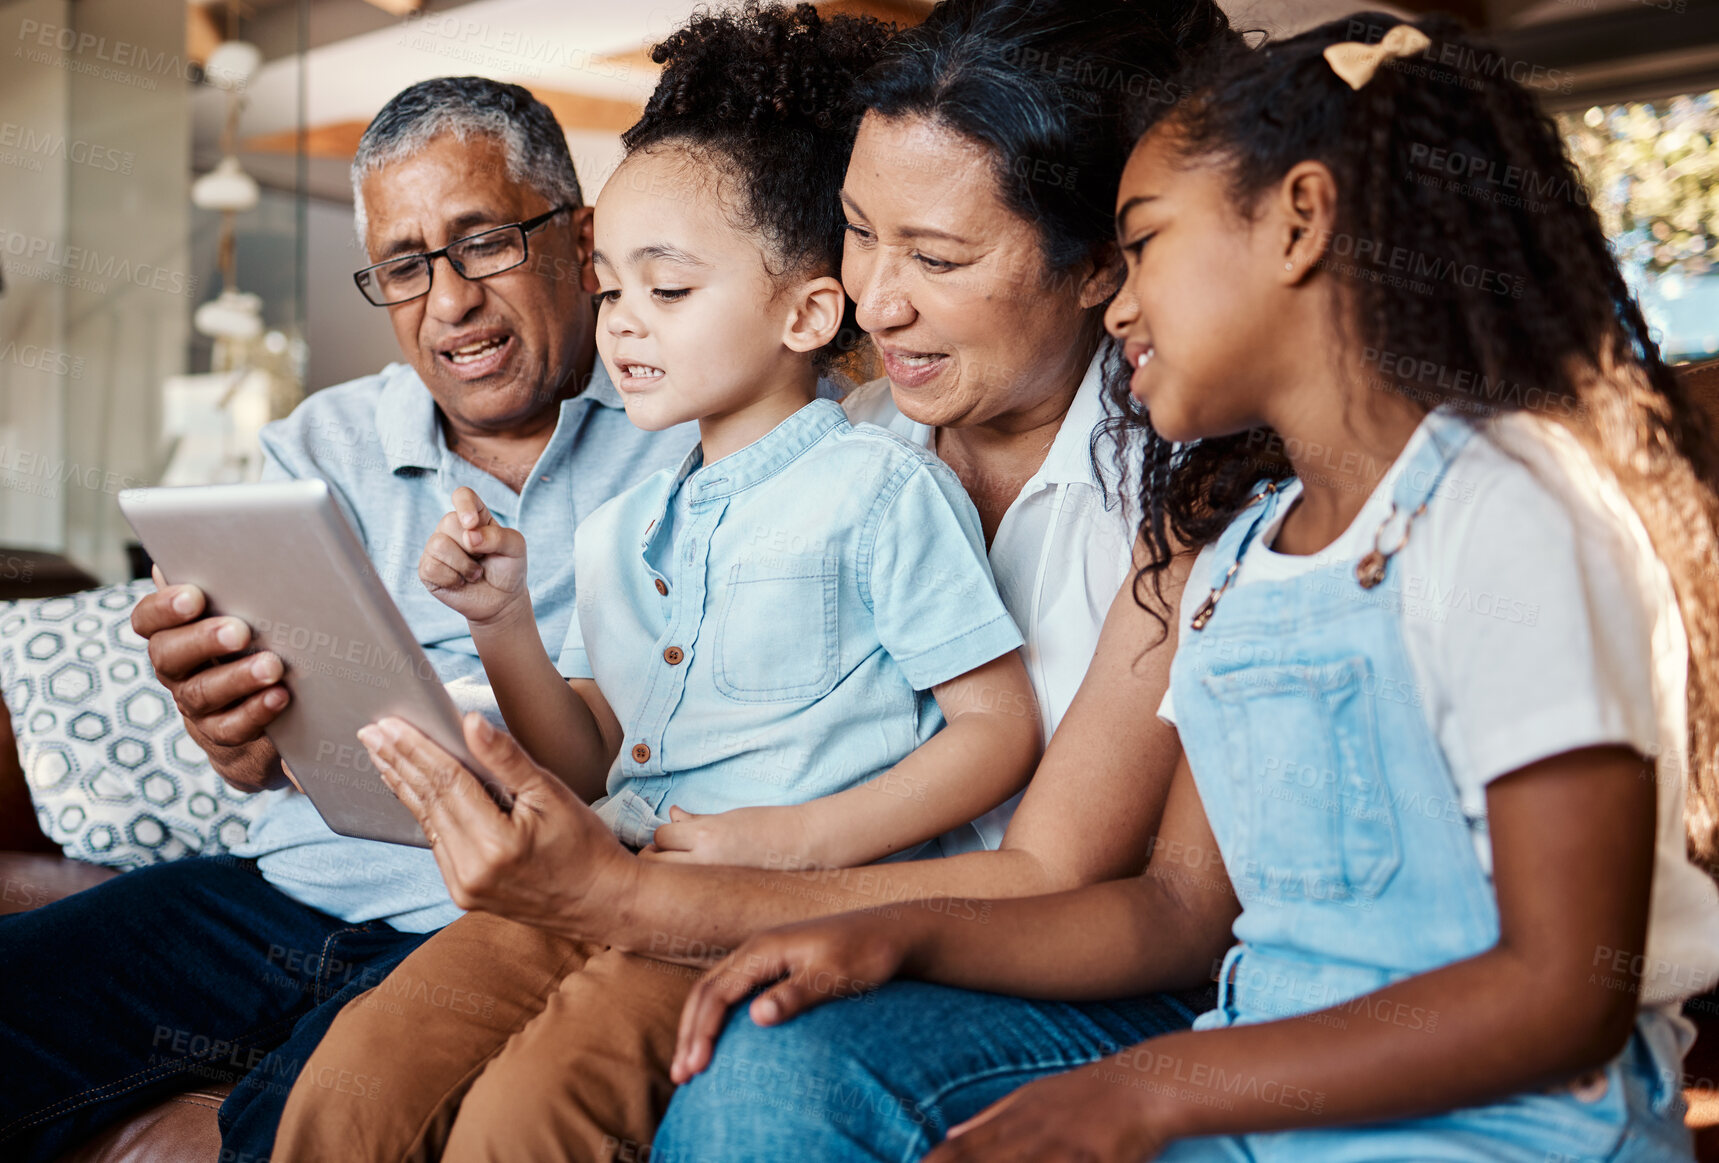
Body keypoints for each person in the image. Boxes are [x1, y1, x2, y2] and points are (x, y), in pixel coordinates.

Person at [662, 14, 1719, 1161]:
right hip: (1268, 1104)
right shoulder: (1241, 552)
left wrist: (1155, 1084)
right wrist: (894, 932)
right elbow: (1178, 907)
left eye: (1147, 244)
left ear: (1301, 224)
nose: (1119, 305)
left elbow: (1566, 991)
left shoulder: (1509, 507)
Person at [273, 2, 1236, 1160]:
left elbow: (1054, 865)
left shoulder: (1165, 500)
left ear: (1096, 268)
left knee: (626, 1102)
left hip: (935, 926)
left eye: (935, 256)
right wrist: (503, 645)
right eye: (859, 234)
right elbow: (612, 732)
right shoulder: (802, 454)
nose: (876, 299)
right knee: (347, 1082)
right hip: (667, 863)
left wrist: (668, 883)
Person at [0, 78, 694, 1163]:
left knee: (300, 1120)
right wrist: (229, 728)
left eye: (484, 243)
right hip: (288, 889)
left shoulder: (692, 418)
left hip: (498, 921)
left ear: (580, 238)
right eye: (406, 266)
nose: (448, 302)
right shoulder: (321, 445)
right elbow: (261, 759)